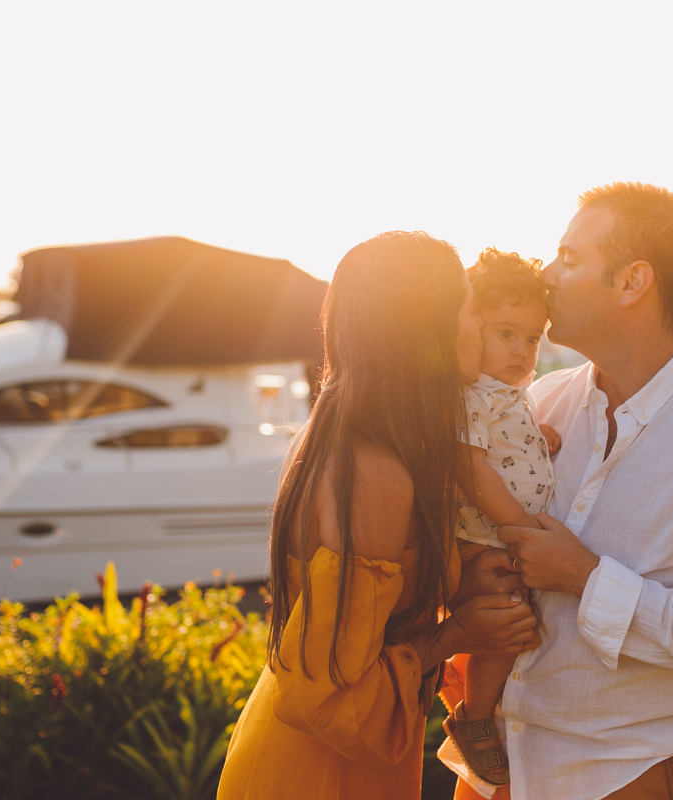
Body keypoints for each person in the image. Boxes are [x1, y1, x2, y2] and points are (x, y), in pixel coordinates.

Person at [456, 183, 673, 800]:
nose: (547, 273)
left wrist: (586, 576)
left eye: (569, 256)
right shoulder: (539, 404)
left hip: (629, 774)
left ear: (631, 282)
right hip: (498, 774)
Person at [217, 231, 540, 800]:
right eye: (468, 308)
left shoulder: (341, 437)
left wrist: (463, 580)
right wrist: (456, 634)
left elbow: (366, 626)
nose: (478, 324)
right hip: (321, 771)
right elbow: (329, 693)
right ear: (428, 331)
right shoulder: (377, 476)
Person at [441, 248, 557, 788]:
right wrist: (519, 525)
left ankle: (487, 711)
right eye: (506, 333)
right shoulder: (468, 396)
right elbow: (472, 467)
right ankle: (474, 718)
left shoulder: (509, 393)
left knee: (510, 631)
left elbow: (513, 445)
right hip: (486, 540)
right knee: (501, 632)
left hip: (503, 539)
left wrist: (544, 439)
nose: (521, 350)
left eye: (532, 338)